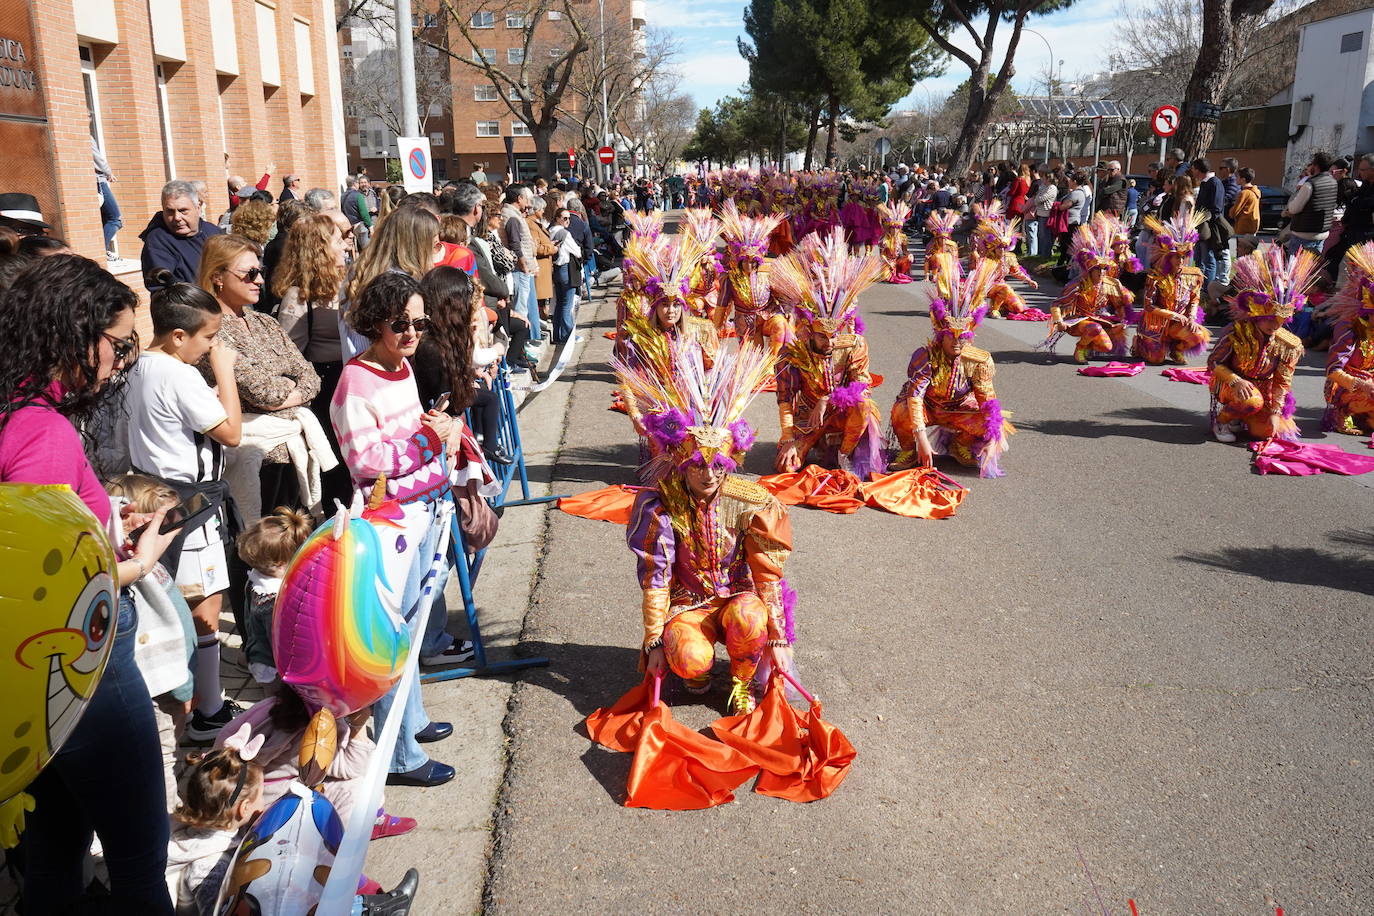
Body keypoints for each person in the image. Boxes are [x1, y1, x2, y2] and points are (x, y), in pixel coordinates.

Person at [0, 255, 178, 913]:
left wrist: (101, 521)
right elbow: (35, 587)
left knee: (51, 854)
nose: (118, 361)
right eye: (117, 343)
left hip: (33, 685)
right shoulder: (42, 430)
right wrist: (134, 563)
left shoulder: (14, 407)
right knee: (137, 860)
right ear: (78, 335)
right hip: (83, 670)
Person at [332, 271, 466, 786]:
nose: (411, 333)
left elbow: (409, 435)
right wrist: (429, 443)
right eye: (399, 323)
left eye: (419, 322)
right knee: (394, 637)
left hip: (425, 505)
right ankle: (400, 756)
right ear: (375, 324)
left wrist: (436, 428)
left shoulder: (403, 367)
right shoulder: (355, 381)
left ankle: (413, 723)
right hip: (390, 521)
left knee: (411, 628)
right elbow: (365, 460)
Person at [618, 343, 793, 716]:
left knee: (749, 619)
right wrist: (652, 642)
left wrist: (779, 636)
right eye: (698, 465)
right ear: (682, 463)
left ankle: (741, 682)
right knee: (690, 661)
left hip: (736, 596)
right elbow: (656, 579)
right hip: (689, 603)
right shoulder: (660, 504)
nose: (709, 475)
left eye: (718, 465)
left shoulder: (750, 500)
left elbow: (767, 573)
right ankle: (698, 677)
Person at [124, 281, 244, 741]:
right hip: (190, 501)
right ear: (178, 336)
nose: (212, 345)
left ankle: (197, 704)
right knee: (205, 604)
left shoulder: (136, 366)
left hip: (154, 493)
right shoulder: (180, 374)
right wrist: (224, 371)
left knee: (178, 597)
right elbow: (230, 432)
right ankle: (206, 711)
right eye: (208, 337)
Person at [198, 234, 323, 522]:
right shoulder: (210, 332)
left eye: (261, 272)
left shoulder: (265, 321)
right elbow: (262, 394)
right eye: (250, 274)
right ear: (218, 276)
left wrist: (283, 390)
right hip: (257, 463)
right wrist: (289, 387)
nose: (260, 281)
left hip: (295, 454)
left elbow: (311, 376)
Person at [772, 230, 887, 476]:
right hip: (808, 414)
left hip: (843, 409)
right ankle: (813, 444)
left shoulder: (854, 344)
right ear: (809, 331)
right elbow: (784, 398)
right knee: (786, 468)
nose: (830, 342)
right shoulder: (792, 351)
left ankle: (844, 454)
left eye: (834, 335)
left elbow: (861, 386)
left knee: (864, 405)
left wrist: (828, 399)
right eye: (823, 336)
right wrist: (788, 436)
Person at [890, 258, 1012, 476]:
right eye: (951, 337)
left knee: (990, 419)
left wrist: (994, 436)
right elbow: (915, 397)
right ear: (941, 335)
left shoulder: (979, 360)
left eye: (962, 337)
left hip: (959, 409)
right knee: (902, 411)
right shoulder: (925, 357)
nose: (957, 342)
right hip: (928, 407)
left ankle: (960, 445)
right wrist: (921, 439)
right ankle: (908, 451)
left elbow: (987, 401)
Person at [273, 212, 353, 511]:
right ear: (319, 247)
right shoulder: (298, 297)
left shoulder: (346, 282)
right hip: (325, 386)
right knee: (336, 465)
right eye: (337, 240)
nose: (344, 245)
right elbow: (289, 357)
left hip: (349, 379)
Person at [1208, 245, 1314, 442]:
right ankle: (1222, 420)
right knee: (1251, 401)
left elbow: (1283, 380)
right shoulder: (1236, 331)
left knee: (1266, 432)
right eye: (1270, 319)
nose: (1275, 326)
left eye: (1280, 321)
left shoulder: (1289, 344)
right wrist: (1236, 380)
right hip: (1230, 383)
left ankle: (1243, 416)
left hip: (1265, 390)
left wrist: (1275, 412)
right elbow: (1214, 363)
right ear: (1257, 315)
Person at [165, 740, 266, 914]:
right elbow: (217, 910)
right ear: (245, 808)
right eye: (262, 795)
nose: (263, 802)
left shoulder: (199, 828)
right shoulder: (210, 866)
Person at [235, 507, 313, 683]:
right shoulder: (271, 598)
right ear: (279, 563)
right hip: (274, 665)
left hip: (261, 654)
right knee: (278, 701)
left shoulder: (257, 580)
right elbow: (279, 642)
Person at [1043, 223, 1133, 363]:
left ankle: (1088, 344)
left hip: (1100, 319)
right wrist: (1059, 321)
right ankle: (1080, 348)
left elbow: (1119, 305)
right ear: (1090, 270)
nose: (1102, 273)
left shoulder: (1110, 284)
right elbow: (1057, 304)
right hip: (1079, 321)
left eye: (1105, 269)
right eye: (1098, 269)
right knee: (1094, 327)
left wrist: (1123, 318)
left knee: (1107, 346)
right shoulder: (1078, 284)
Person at [1132, 212, 1212, 365]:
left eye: (1184, 256)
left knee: (1198, 335)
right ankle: (1139, 344)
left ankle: (1177, 349)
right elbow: (1148, 306)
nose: (1181, 261)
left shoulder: (1193, 275)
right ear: (1168, 257)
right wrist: (1173, 316)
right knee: (1157, 359)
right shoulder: (1156, 277)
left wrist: (1191, 318)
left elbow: (1194, 300)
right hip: (1157, 323)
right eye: (1177, 257)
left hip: (1178, 323)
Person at [716, 199, 786, 349]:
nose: (749, 265)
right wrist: (715, 330)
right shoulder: (730, 279)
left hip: (768, 315)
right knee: (752, 359)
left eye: (753, 261)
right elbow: (722, 305)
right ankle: (762, 369)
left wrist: (787, 311)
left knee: (780, 326)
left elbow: (780, 295)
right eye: (745, 261)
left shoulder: (768, 272)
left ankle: (772, 364)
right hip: (745, 322)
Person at [1322, 242, 1374, 434]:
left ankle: (1363, 415)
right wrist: (1362, 384)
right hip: (1344, 386)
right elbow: (1333, 370)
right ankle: (1342, 413)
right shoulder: (1349, 327)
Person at [142, 180, 223, 285]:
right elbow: (163, 289)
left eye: (183, 210)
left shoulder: (214, 232)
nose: (177, 218)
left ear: (198, 209)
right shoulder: (157, 242)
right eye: (170, 211)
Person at [969, 201, 1037, 318]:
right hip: (982, 287)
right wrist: (975, 256)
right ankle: (990, 307)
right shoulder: (985, 259)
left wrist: (1029, 280)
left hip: (999, 287)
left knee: (1018, 308)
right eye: (999, 248)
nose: (1002, 251)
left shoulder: (1009, 258)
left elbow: (1016, 271)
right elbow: (974, 271)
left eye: (1004, 248)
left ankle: (997, 307)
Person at [501, 184, 541, 344]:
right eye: (526, 198)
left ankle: (523, 344)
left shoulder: (514, 214)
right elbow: (515, 245)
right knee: (521, 309)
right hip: (519, 269)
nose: (529, 202)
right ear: (519, 199)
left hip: (521, 268)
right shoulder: (512, 217)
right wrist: (524, 266)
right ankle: (521, 346)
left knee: (523, 306)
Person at [1323, 154, 1374, 281]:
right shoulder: (1365, 185)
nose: (1359, 172)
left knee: (1353, 269)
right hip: (1352, 232)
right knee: (1332, 257)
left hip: (1367, 236)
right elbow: (1355, 203)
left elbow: (1362, 204)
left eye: (1363, 170)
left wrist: (1356, 202)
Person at [1281, 150, 1337, 256]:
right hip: (1322, 232)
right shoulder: (1333, 182)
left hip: (1304, 234)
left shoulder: (1309, 185)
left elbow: (1293, 208)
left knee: (1297, 269)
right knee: (1313, 268)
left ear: (1315, 166)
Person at [548, 206, 582, 343]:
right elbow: (577, 251)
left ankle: (558, 335)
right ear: (558, 219)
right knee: (566, 304)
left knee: (559, 304)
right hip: (565, 269)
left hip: (556, 270)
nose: (567, 221)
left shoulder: (549, 230)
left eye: (569, 218)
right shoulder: (564, 233)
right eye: (564, 218)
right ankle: (568, 335)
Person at [94, 136, 123, 258]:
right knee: (115, 219)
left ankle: (102, 250)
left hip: (96, 181)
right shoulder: (86, 136)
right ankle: (101, 251)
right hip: (99, 181)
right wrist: (108, 172)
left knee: (106, 219)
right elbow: (96, 157)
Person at [341, 174, 374, 250]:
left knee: (355, 250)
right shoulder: (358, 195)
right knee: (366, 250)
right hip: (360, 227)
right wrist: (370, 227)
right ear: (355, 183)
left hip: (350, 227)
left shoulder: (343, 196)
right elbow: (364, 213)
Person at [1230, 167, 1262, 238]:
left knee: (1242, 248)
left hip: (1243, 227)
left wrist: (1230, 211)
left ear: (1243, 179)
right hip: (1252, 226)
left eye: (1237, 177)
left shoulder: (1244, 193)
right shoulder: (1256, 191)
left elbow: (1234, 212)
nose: (1236, 179)